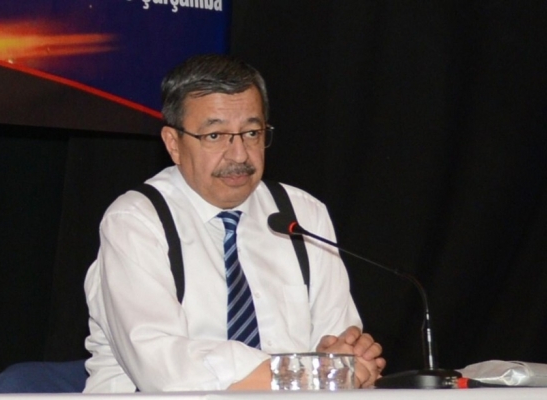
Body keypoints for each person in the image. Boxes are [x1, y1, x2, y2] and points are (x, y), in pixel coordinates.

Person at [83, 54, 386, 392]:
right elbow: (166, 372)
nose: (240, 154)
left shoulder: (302, 215)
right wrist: (307, 372)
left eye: (252, 133)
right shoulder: (136, 222)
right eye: (215, 136)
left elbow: (341, 354)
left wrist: (347, 361)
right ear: (173, 144)